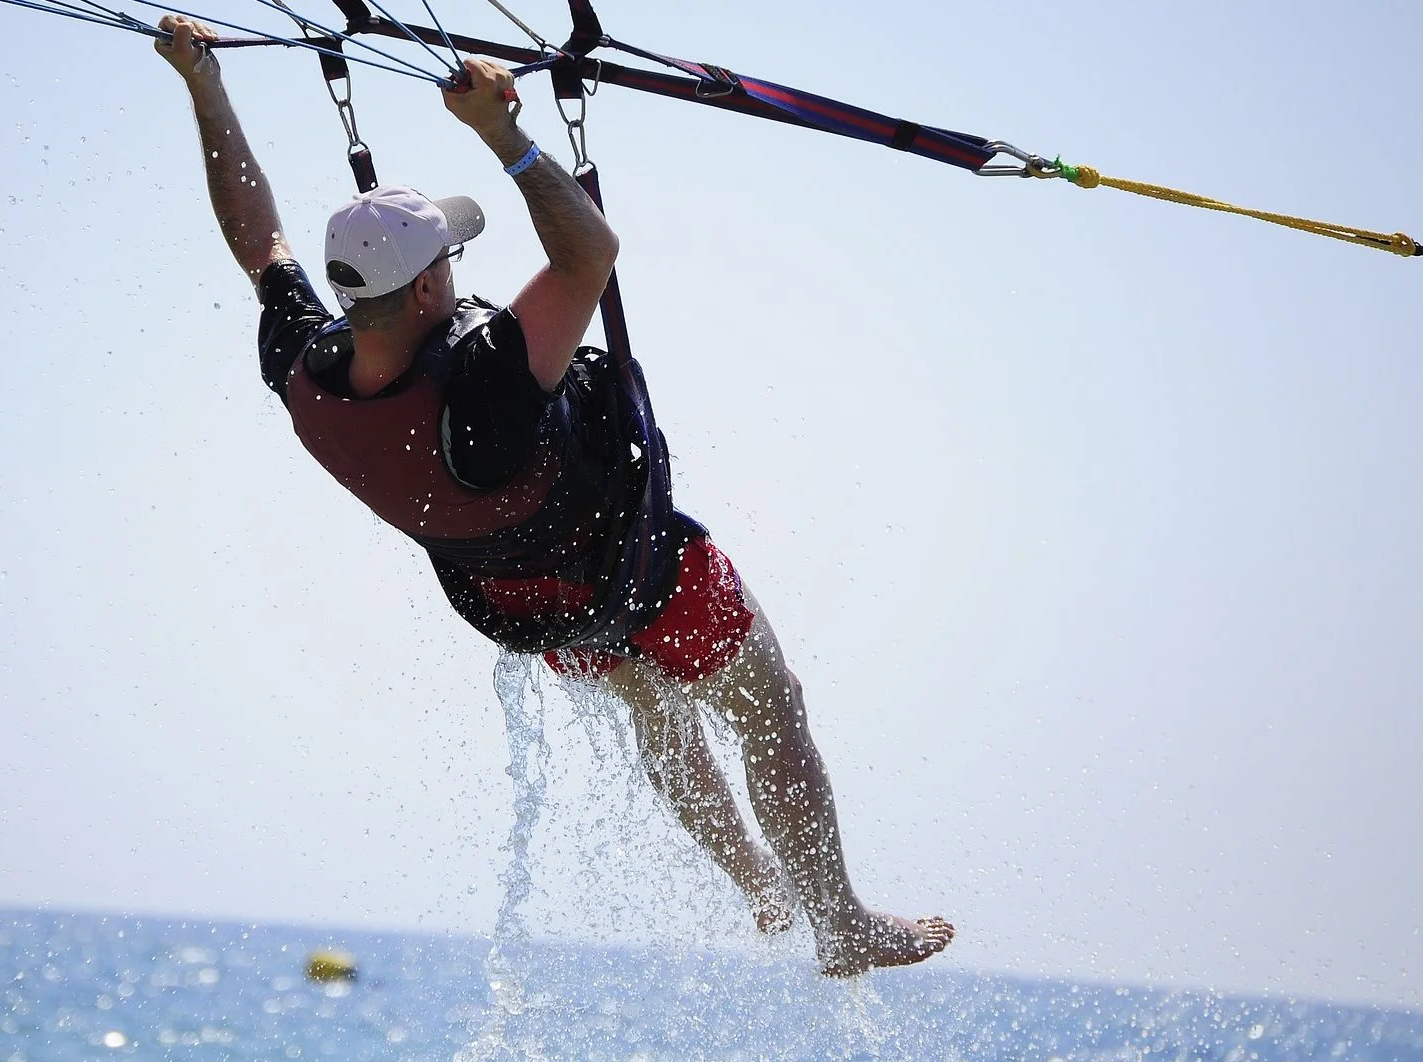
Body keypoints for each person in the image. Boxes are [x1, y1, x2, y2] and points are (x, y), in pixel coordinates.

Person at [154, 15, 954, 976]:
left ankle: (757, 884)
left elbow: (257, 239)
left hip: (525, 608)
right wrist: (504, 136)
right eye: (446, 258)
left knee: (656, 714)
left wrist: (204, 87)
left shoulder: (303, 367)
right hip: (638, 566)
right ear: (419, 294)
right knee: (767, 705)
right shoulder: (489, 382)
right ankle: (839, 922)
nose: (457, 269)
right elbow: (589, 253)